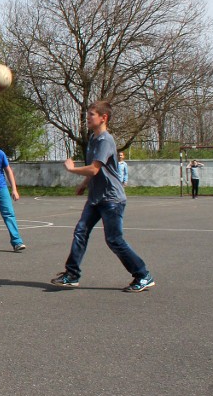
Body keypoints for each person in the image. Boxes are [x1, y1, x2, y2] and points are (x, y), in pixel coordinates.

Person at [50, 100, 155, 292]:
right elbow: (94, 172)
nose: (87, 118)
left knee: (114, 240)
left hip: (112, 199)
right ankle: (71, 274)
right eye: (87, 114)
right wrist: (83, 185)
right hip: (96, 198)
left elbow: (94, 168)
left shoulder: (106, 140)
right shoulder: (93, 139)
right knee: (81, 231)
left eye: (91, 114)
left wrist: (72, 170)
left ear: (103, 117)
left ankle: (143, 274)